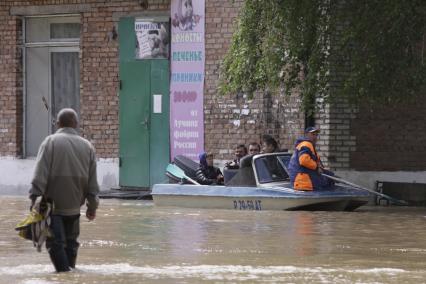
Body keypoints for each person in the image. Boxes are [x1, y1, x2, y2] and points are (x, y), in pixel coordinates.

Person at [29, 108, 99, 272]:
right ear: (76, 124)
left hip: (52, 206)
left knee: (55, 243)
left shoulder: (50, 142)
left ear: (58, 123)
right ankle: (70, 273)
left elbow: (40, 175)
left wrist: (34, 200)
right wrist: (92, 207)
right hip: (74, 207)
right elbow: (93, 184)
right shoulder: (87, 146)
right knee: (71, 243)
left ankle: (64, 276)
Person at [287, 126, 333, 191]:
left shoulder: (306, 145)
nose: (315, 137)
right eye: (313, 134)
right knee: (330, 180)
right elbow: (304, 160)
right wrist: (317, 167)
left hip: (304, 179)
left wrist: (321, 168)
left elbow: (313, 162)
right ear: (306, 135)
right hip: (303, 181)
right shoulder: (306, 144)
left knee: (330, 175)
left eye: (316, 135)